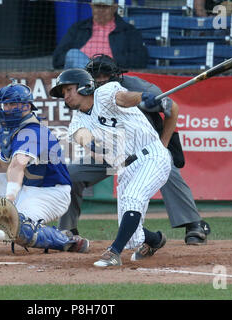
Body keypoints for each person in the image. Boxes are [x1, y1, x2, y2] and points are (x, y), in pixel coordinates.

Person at [57, 54, 211, 246]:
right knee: (71, 174)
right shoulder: (84, 107)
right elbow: (85, 138)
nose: (101, 81)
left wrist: (163, 144)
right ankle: (67, 229)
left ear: (116, 75)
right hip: (111, 154)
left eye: (105, 76)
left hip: (145, 146)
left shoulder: (137, 87)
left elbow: (173, 109)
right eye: (96, 78)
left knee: (167, 169)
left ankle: (193, 223)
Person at [50, 69, 173, 267]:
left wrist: (143, 99)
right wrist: (97, 144)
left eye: (68, 89)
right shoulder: (76, 122)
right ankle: (155, 240)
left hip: (151, 155)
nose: (66, 96)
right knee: (133, 237)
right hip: (125, 167)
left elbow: (124, 98)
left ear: (84, 86)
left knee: (133, 197)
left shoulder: (104, 93)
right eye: (63, 93)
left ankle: (114, 252)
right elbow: (87, 140)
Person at [0, 83, 90, 254]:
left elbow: (18, 165)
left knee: (15, 227)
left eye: (11, 104)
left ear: (26, 106)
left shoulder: (33, 131)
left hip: (50, 192)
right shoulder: (10, 131)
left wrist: (9, 199)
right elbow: (7, 165)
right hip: (25, 184)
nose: (5, 108)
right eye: (5, 104)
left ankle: (66, 240)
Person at [52, 0, 148, 70]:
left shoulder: (128, 31)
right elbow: (57, 58)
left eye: (105, 7)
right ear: (91, 6)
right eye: (97, 6)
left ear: (114, 8)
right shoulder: (78, 28)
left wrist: (106, 62)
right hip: (80, 74)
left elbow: (140, 60)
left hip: (110, 73)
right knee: (73, 54)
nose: (100, 10)